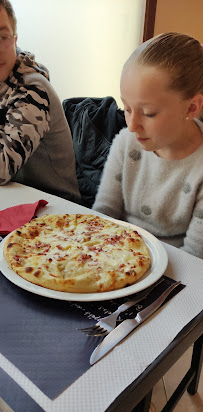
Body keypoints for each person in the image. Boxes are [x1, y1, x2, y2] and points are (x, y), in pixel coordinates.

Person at [93, 32, 203, 259]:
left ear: (192, 108)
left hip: (177, 269)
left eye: (149, 113)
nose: (132, 126)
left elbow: (194, 256)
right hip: (114, 258)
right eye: (127, 109)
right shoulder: (125, 142)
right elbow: (102, 217)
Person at [0, 0, 80, 202]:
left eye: (2, 37)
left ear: (15, 40)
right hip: (15, 197)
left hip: (55, 209)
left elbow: (2, 168)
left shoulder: (32, 90)